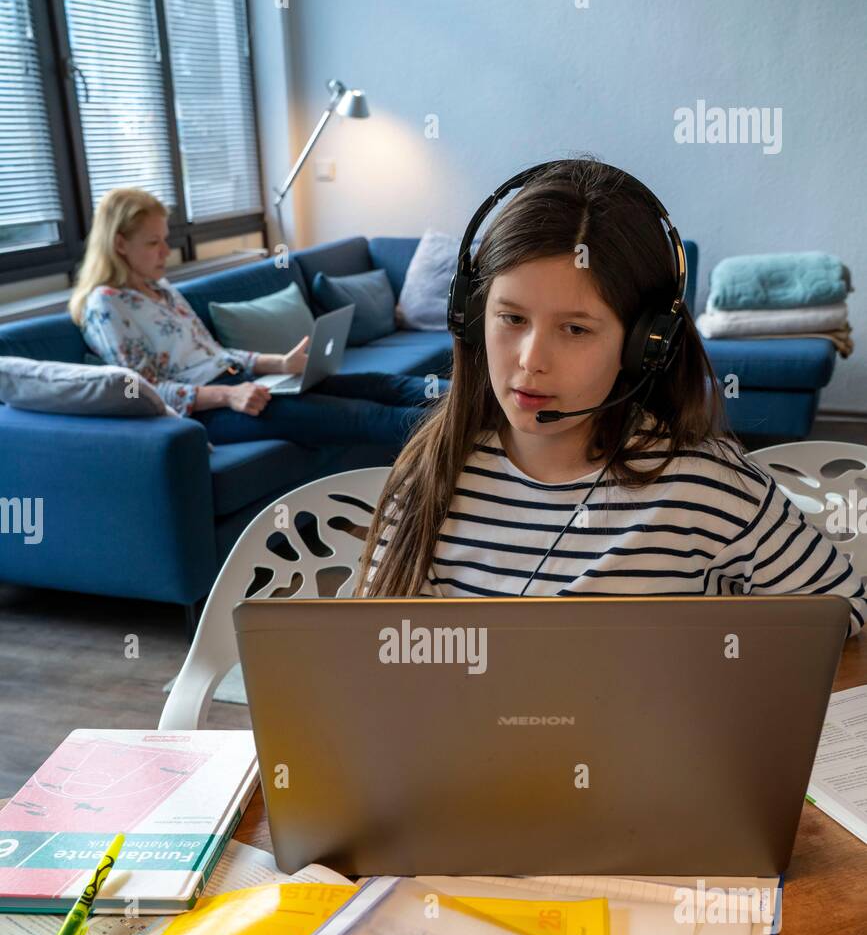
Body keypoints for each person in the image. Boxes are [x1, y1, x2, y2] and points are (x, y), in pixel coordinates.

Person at [353, 157, 866, 640]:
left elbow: (843, 609)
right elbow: (382, 646)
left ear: (644, 345)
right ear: (472, 318)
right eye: (511, 319)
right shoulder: (431, 469)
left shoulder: (703, 483)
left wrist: (717, 666)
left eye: (575, 329)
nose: (531, 360)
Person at [68, 187, 448, 451]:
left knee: (380, 384)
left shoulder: (162, 288)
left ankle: (479, 403)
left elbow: (215, 353)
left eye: (165, 238)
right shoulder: (106, 306)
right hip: (211, 411)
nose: (166, 250)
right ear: (119, 243)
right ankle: (475, 446)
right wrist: (229, 395)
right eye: (154, 242)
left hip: (246, 384)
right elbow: (141, 391)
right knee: (366, 417)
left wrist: (278, 363)